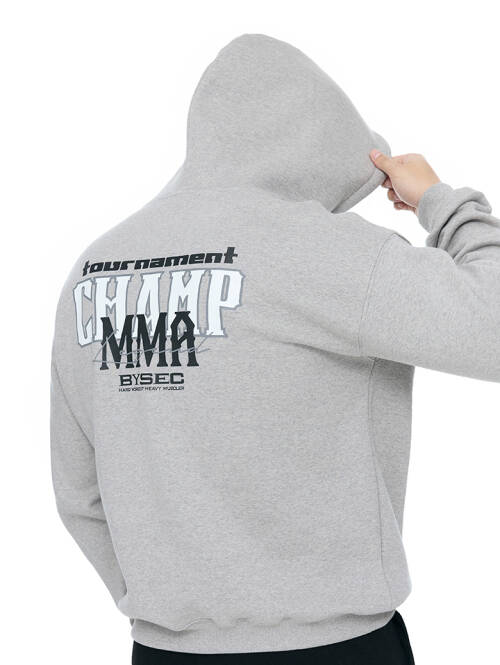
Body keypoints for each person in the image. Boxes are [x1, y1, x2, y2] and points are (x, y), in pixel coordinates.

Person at [50, 34, 500, 665]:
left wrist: (170, 608)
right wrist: (441, 203)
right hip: (334, 648)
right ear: (322, 143)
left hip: (164, 651)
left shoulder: (95, 268)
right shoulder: (327, 252)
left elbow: (79, 493)